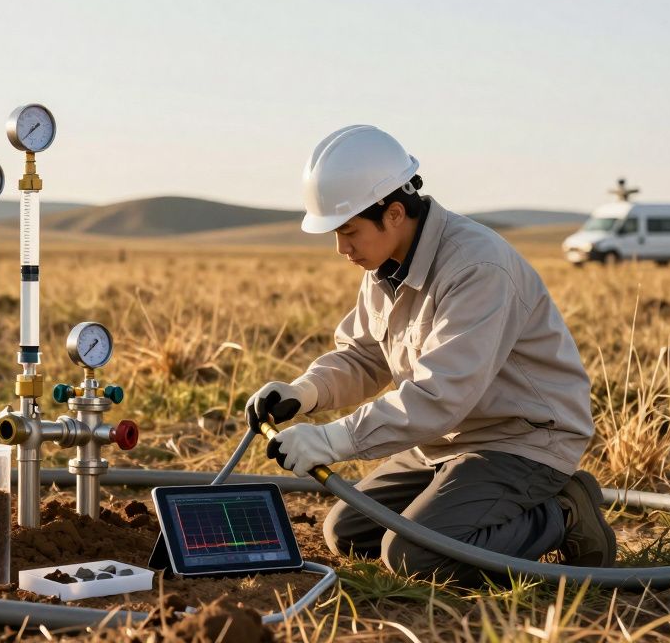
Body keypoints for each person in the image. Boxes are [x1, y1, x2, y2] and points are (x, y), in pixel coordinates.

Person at [246, 125, 615, 584]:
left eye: (348, 231)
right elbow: (363, 356)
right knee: (348, 532)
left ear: (394, 213)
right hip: (445, 441)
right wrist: (303, 392)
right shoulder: (384, 267)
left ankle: (563, 512)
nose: (341, 248)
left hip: (522, 441)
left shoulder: (477, 267)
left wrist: (330, 441)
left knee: (414, 556)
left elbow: (441, 395)